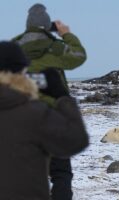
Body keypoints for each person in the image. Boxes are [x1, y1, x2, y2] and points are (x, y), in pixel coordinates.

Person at [13, 4, 87, 199]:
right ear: (48, 26)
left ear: (28, 25)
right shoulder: (56, 47)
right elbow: (79, 56)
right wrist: (66, 34)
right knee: (61, 173)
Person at [0, 41, 89, 200]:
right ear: (21, 73)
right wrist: (62, 96)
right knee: (61, 173)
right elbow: (76, 141)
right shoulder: (34, 112)